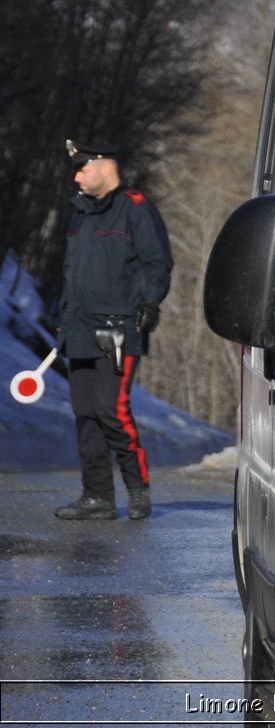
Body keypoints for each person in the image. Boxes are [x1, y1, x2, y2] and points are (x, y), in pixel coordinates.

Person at [56, 139, 172, 521]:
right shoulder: (79, 214)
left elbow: (157, 262)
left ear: (105, 165)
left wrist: (149, 303)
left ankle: (137, 489)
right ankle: (97, 497)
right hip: (78, 327)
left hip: (118, 329)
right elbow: (72, 273)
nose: (76, 176)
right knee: (85, 412)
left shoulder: (135, 209)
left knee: (111, 409)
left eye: (82, 168)